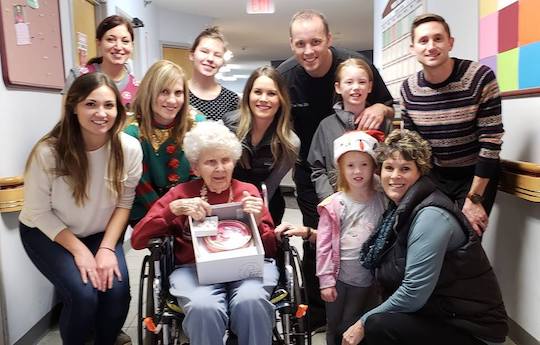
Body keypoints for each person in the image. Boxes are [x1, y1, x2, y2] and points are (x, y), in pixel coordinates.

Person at [276, 9, 394, 329]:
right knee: (321, 241)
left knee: (367, 239)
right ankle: (319, 311)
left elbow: (388, 104)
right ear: (291, 44)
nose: (309, 50)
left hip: (362, 172)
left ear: (329, 39)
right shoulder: (286, 77)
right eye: (300, 43)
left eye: (316, 41)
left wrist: (381, 107)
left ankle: (370, 307)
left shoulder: (354, 66)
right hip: (314, 171)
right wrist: (330, 197)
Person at [341, 129, 508, 345]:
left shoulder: (431, 215)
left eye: (405, 169)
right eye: (389, 168)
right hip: (440, 314)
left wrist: (362, 323)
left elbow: (413, 292)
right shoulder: (399, 208)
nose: (395, 176)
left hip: (473, 330)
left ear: (421, 172)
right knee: (348, 330)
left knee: (375, 326)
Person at [19, 72, 143, 345]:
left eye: (109, 105)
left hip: (99, 231)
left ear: (118, 110)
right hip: (47, 232)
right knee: (83, 294)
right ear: (73, 107)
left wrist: (108, 249)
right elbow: (39, 213)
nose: (101, 113)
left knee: (117, 292)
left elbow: (124, 203)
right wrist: (80, 252)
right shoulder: (48, 152)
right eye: (91, 104)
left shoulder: (129, 148)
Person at [131, 121, 278, 345]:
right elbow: (138, 239)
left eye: (225, 160)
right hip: (195, 270)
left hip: (247, 268)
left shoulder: (248, 192)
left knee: (251, 301)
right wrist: (172, 210)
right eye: (210, 162)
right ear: (196, 168)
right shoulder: (181, 194)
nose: (220, 168)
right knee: (203, 307)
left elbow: (271, 250)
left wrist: (257, 223)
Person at [401, 13, 504, 236]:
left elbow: (491, 142)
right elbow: (413, 147)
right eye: (423, 40)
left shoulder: (480, 77)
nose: (431, 46)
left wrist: (474, 199)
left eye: (438, 39)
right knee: (432, 239)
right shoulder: (408, 89)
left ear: (450, 43)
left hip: (476, 175)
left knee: (466, 242)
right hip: (435, 175)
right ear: (412, 48)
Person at [316, 131, 385, 345]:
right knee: (335, 324)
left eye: (364, 164)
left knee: (354, 322)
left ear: (373, 167)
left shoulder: (382, 199)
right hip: (338, 278)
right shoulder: (335, 205)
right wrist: (326, 281)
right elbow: (323, 246)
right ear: (341, 169)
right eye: (350, 165)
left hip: (366, 280)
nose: (357, 171)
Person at [124, 60, 205, 226]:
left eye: (178, 93)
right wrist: (167, 214)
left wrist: (188, 207)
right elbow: (141, 185)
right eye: (164, 92)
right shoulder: (132, 134)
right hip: (149, 207)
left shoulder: (197, 124)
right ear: (149, 93)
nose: (172, 100)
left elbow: (201, 172)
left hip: (191, 203)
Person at [223, 66, 299, 223]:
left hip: (266, 204)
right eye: (258, 92)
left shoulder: (290, 142)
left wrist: (257, 212)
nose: (263, 99)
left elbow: (270, 187)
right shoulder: (228, 125)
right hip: (227, 201)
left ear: (281, 99)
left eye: (271, 93)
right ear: (248, 95)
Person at [309, 58, 387, 201]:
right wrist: (330, 200)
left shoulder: (382, 124)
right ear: (338, 87)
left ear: (370, 87)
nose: (356, 87)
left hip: (377, 202)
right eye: (349, 82)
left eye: (362, 82)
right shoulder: (326, 126)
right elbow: (317, 169)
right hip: (337, 201)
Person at [64, 15, 138, 110]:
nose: (118, 47)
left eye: (125, 41)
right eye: (111, 39)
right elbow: (66, 120)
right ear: (98, 43)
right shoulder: (78, 76)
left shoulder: (137, 87)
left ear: (132, 46)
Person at [188, 26, 239, 121]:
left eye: (217, 55)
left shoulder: (232, 100)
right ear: (192, 55)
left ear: (223, 61)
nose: (210, 59)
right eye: (204, 51)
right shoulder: (178, 93)